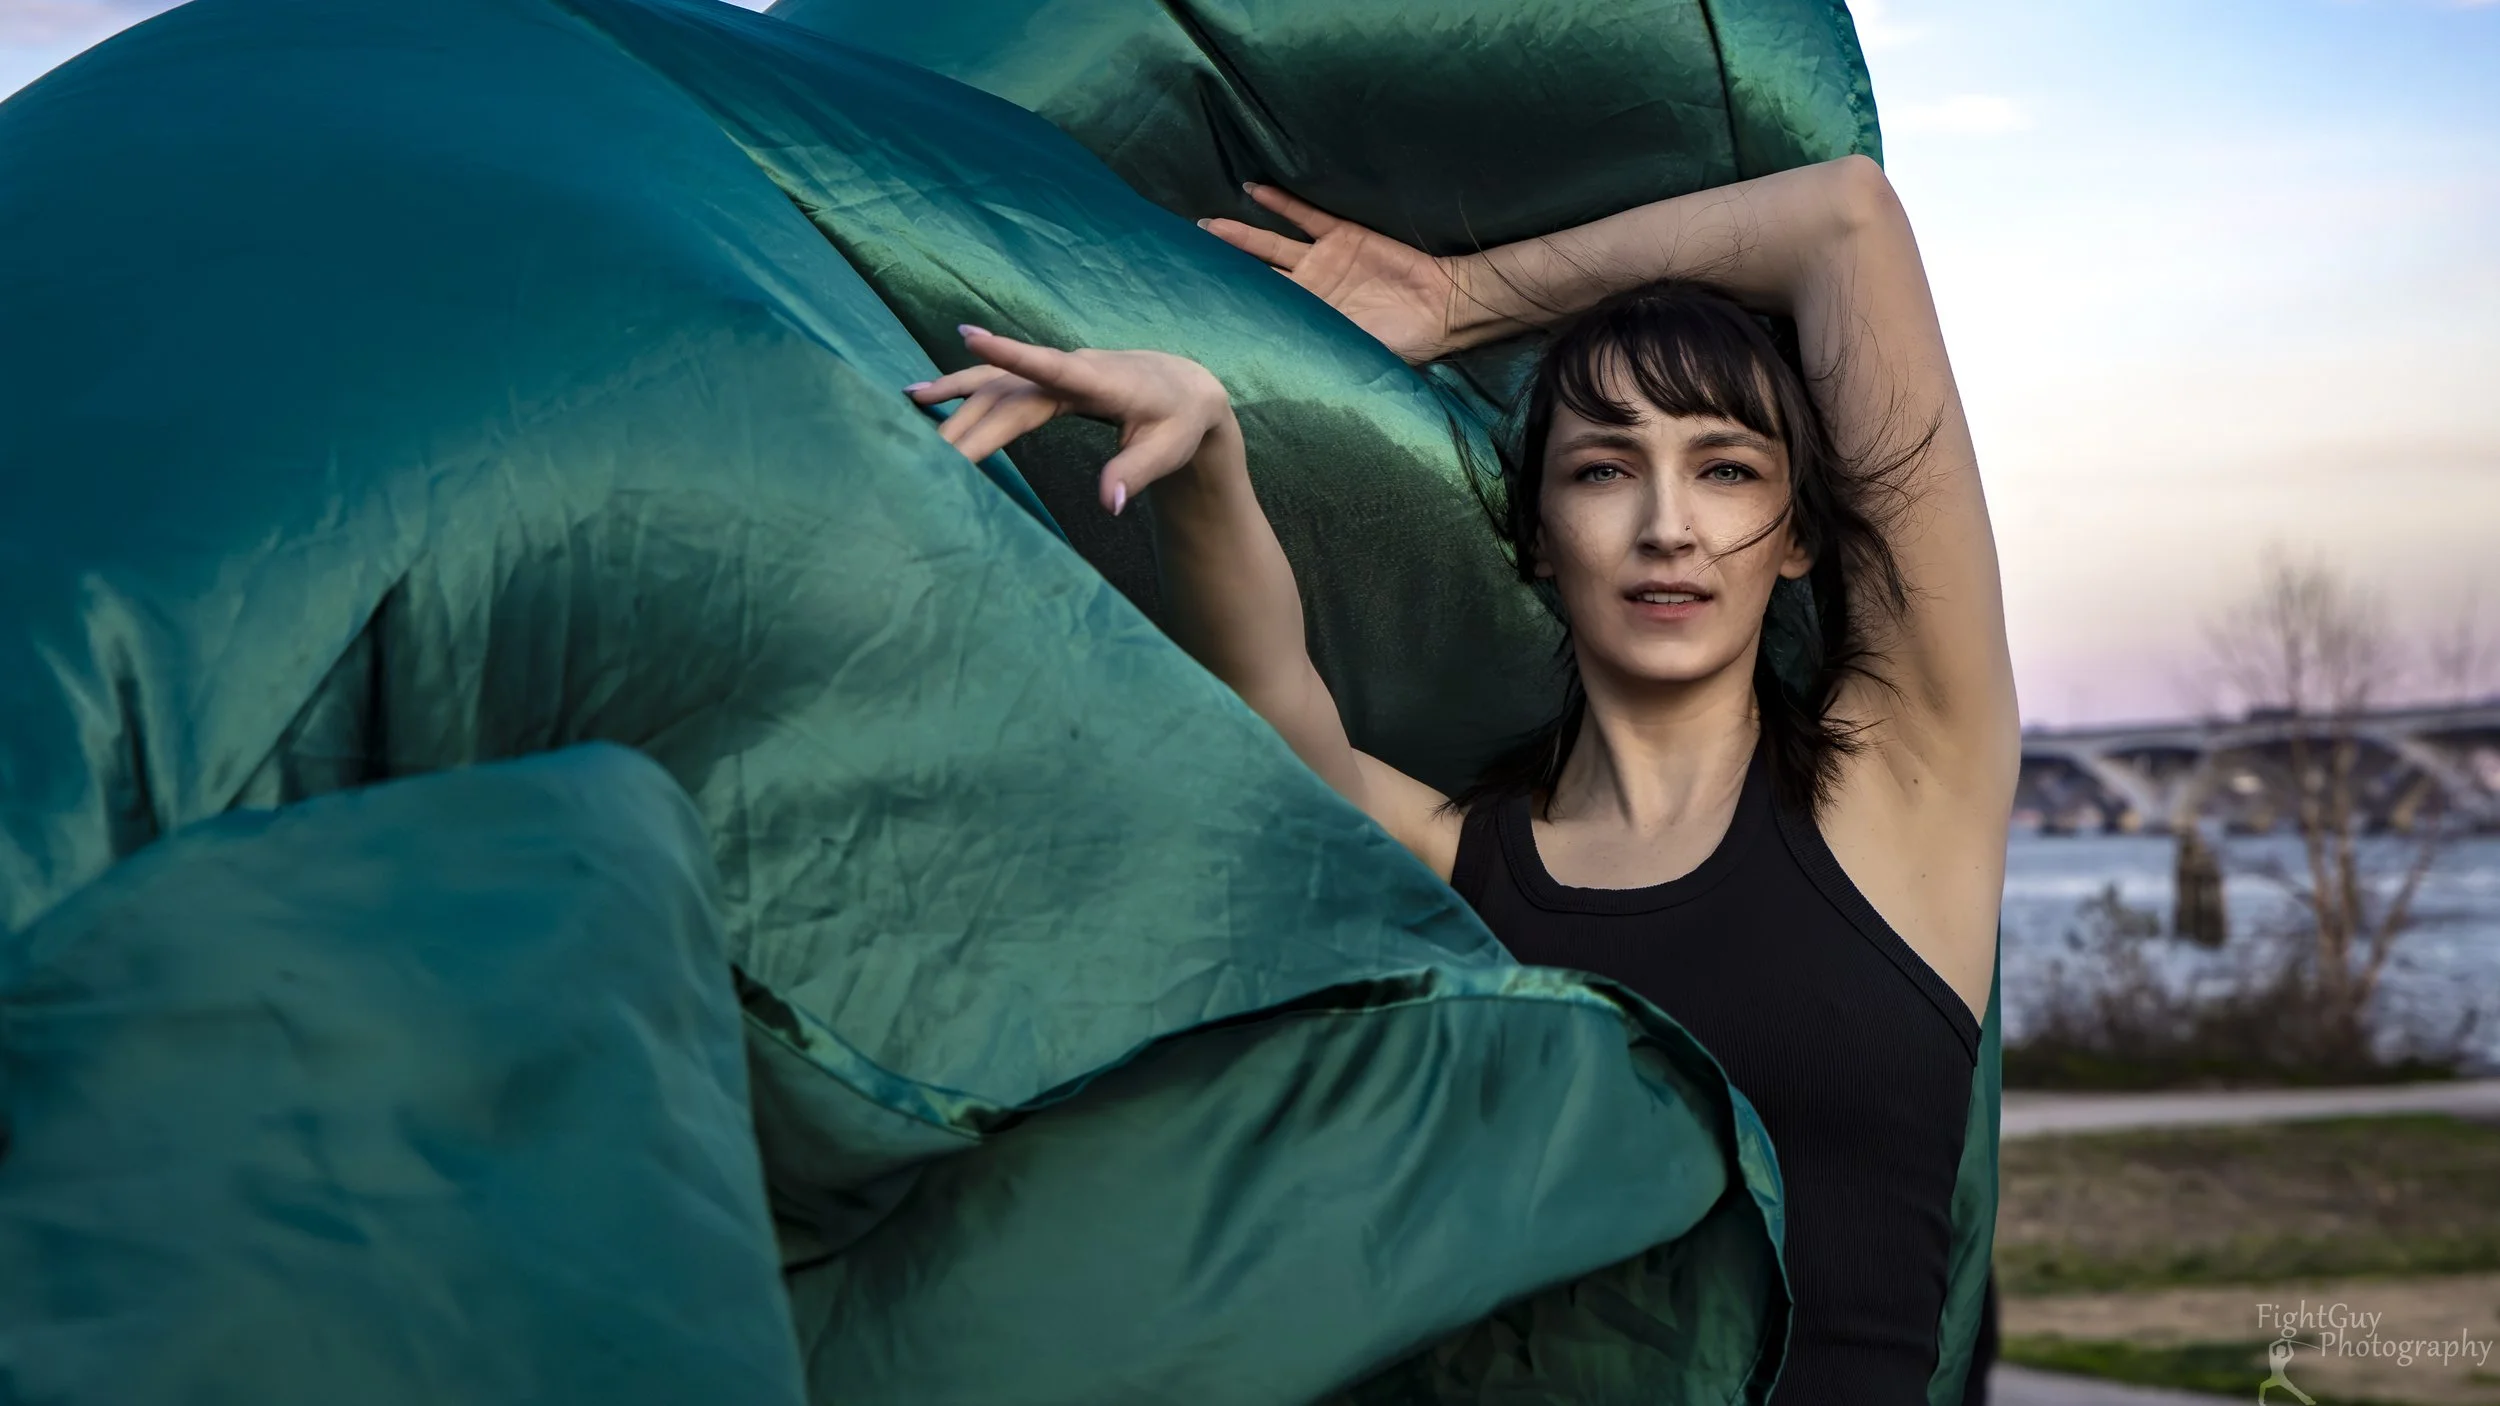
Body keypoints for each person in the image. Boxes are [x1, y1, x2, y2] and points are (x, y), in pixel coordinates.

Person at [906, 153, 2015, 1404]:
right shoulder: (1455, 863)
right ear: (1538, 536)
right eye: (1602, 469)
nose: (1667, 525)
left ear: (1798, 533)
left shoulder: (1907, 782)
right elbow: (1270, 705)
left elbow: (1843, 218)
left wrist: (1458, 297)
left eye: (1725, 468)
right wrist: (1208, 445)